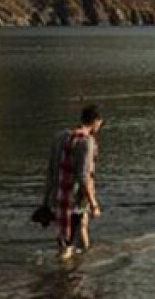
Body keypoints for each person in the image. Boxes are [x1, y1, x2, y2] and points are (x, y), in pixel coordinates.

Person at [44, 104, 103, 259]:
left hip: (59, 195)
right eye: (100, 123)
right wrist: (93, 204)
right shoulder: (87, 141)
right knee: (67, 246)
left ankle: (86, 259)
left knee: (77, 229)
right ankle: (66, 276)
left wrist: (46, 200)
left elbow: (51, 169)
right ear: (96, 121)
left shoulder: (61, 136)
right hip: (73, 199)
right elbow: (83, 176)